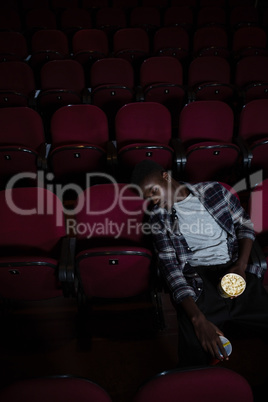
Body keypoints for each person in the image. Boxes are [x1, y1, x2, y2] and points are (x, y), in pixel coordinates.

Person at [131, 159, 268, 367]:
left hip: (233, 269)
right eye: (148, 198)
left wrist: (241, 266)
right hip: (198, 282)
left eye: (153, 190)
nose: (154, 200)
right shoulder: (158, 219)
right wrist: (197, 319)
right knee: (193, 354)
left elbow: (245, 225)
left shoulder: (215, 191)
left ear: (165, 176)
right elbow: (171, 270)